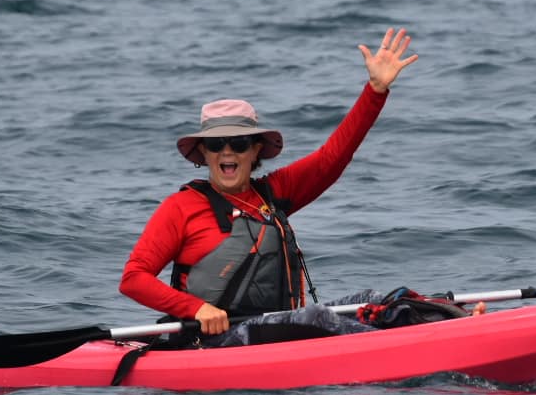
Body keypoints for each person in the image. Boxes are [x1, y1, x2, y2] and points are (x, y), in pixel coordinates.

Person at [118, 27, 419, 345]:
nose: (228, 151)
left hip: (278, 332)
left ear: (257, 149)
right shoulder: (180, 208)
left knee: (377, 300)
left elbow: (333, 157)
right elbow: (133, 279)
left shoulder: (274, 193)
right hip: (210, 342)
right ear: (203, 153)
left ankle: (451, 321)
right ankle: (396, 348)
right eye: (217, 143)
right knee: (314, 317)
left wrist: (375, 90)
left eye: (239, 142)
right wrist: (196, 309)